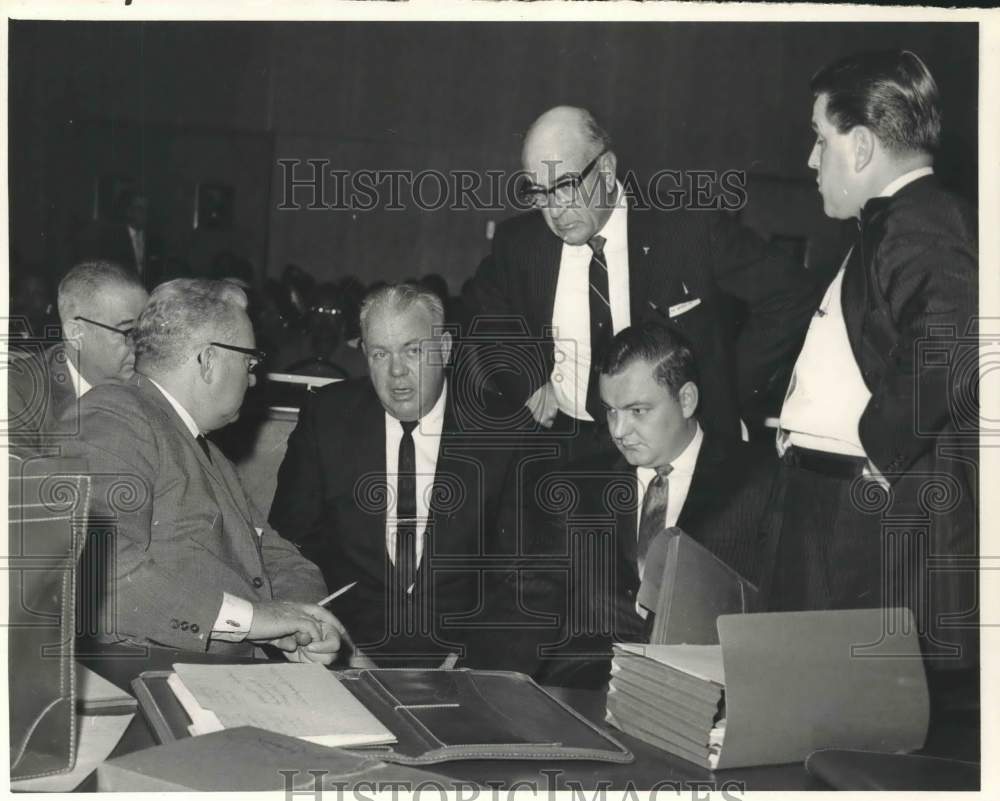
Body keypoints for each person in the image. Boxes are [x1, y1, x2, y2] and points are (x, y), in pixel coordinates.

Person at [763, 51, 977, 681]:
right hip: (831, 506)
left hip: (858, 514)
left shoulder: (923, 218)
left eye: (818, 138)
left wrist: (880, 453)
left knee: (837, 712)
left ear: (859, 147)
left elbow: (952, 330)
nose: (810, 159)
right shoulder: (897, 225)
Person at [463, 105, 818, 462]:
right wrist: (526, 377)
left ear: (605, 168)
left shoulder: (688, 229)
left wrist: (720, 391)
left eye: (566, 186)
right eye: (539, 192)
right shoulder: (521, 243)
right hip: (569, 449)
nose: (554, 210)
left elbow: (792, 294)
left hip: (674, 450)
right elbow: (483, 307)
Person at [66, 279, 346, 662]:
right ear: (209, 359)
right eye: (249, 362)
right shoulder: (115, 415)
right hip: (148, 676)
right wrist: (252, 619)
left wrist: (305, 623)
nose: (252, 378)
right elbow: (98, 569)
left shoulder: (210, 454)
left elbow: (279, 558)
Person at [270, 283, 520, 668]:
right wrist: (335, 644)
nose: (396, 371)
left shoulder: (504, 430)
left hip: (464, 663)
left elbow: (524, 573)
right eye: (380, 354)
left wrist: (471, 662)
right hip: (346, 654)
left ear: (446, 348)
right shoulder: (328, 417)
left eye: (413, 350)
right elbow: (288, 544)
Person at [523, 321, 778, 688]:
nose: (618, 430)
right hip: (585, 691)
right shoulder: (576, 485)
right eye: (610, 410)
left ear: (686, 400)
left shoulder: (759, 480)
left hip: (703, 695)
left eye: (637, 411)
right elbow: (529, 608)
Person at [7, 261, 147, 452]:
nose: (141, 345)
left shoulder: (152, 379)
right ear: (76, 334)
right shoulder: (17, 393)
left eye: (145, 331)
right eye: (128, 331)